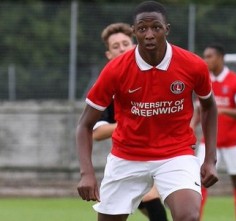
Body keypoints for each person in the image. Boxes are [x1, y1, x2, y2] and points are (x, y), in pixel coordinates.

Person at [76, 1, 218, 221]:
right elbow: (85, 125)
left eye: (156, 28)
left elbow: (208, 106)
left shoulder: (193, 65)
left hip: (176, 154)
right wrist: (87, 174)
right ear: (135, 32)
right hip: (127, 156)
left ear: (166, 29)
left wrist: (210, 159)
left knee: (189, 217)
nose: (149, 34)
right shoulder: (115, 70)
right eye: (142, 29)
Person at [93, 22, 168, 221]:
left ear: (134, 45)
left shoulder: (155, 74)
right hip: (128, 159)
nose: (122, 48)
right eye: (115, 46)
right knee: (146, 205)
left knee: (152, 199)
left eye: (125, 43)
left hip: (165, 154)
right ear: (109, 55)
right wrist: (131, 121)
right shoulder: (107, 86)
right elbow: (97, 133)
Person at [191, 43, 236, 221]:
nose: (206, 60)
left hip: (234, 142)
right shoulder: (204, 81)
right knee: (200, 180)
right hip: (209, 142)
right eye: (205, 56)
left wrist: (222, 110)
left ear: (221, 58)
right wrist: (192, 125)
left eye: (209, 56)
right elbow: (199, 110)